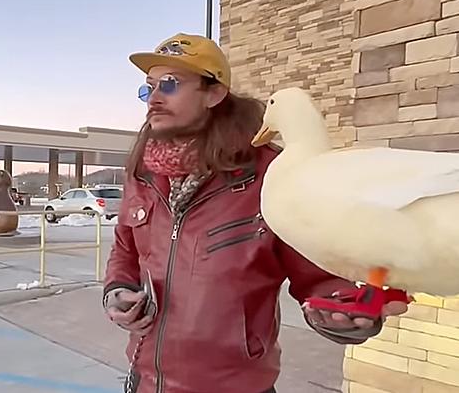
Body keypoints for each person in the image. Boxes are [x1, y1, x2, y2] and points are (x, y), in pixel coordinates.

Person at [104, 33, 409, 393]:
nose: (153, 99)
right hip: (146, 383)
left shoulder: (270, 175)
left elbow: (319, 273)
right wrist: (118, 290)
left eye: (169, 85)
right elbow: (125, 247)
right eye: (148, 88)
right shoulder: (142, 170)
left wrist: (343, 310)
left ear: (214, 93)